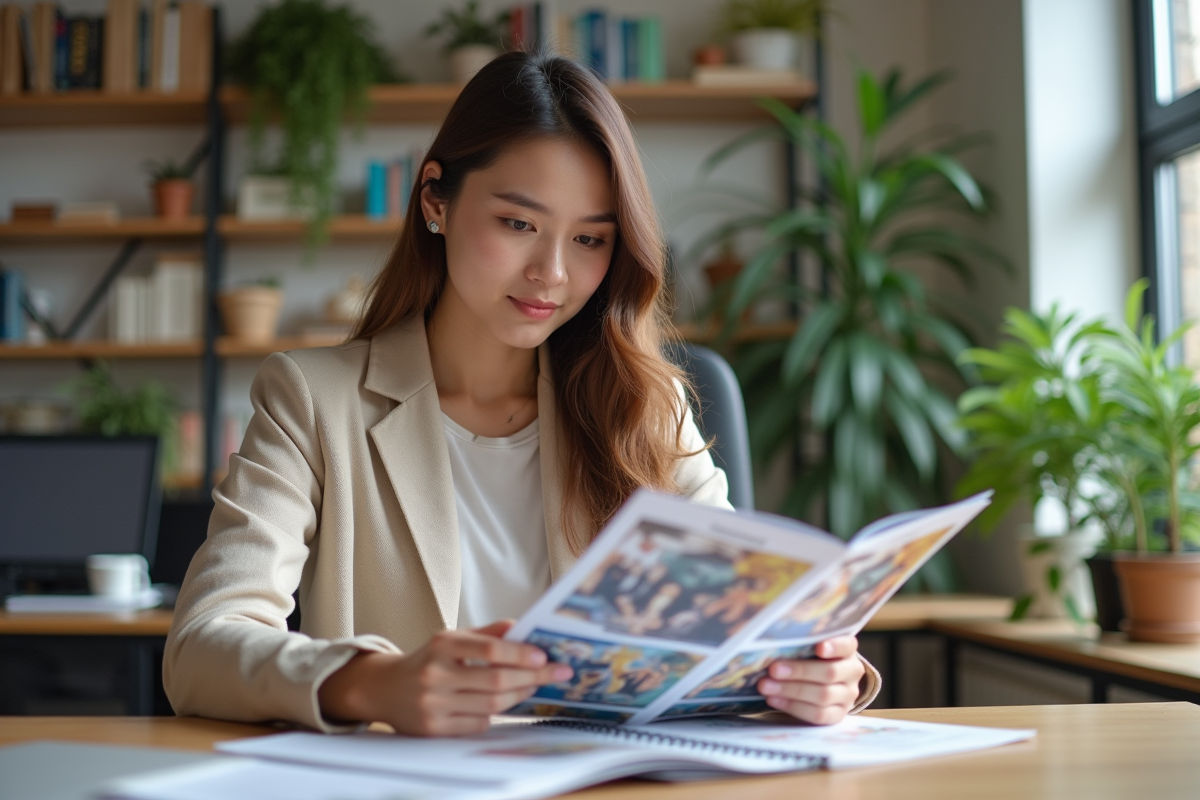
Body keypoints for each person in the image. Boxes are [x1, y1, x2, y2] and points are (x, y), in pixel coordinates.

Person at [163, 51, 879, 737]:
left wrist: (813, 673)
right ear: (435, 200)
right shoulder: (312, 400)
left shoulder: (646, 405)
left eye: (591, 241)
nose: (552, 274)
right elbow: (201, 646)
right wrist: (375, 682)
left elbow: (740, 626)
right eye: (518, 224)